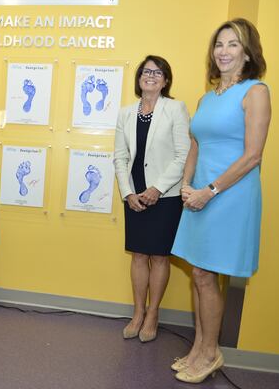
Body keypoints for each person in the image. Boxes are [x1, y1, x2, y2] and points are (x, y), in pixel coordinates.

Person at [171, 18, 271, 383]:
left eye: (233, 44)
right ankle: (200, 348)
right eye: (219, 44)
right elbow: (197, 143)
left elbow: (253, 156)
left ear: (247, 52)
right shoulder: (207, 97)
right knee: (199, 273)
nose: (224, 51)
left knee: (204, 272)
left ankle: (210, 352)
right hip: (198, 194)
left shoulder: (255, 91)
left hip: (227, 195)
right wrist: (185, 183)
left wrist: (208, 191)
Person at [114, 55, 191, 343]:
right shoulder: (125, 113)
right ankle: (137, 313)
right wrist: (127, 192)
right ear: (139, 78)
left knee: (159, 256)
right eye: (146, 71)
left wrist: (157, 188)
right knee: (138, 255)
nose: (151, 76)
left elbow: (182, 155)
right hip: (134, 195)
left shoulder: (175, 109)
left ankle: (153, 314)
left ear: (166, 80)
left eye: (157, 72)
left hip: (165, 197)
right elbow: (120, 157)